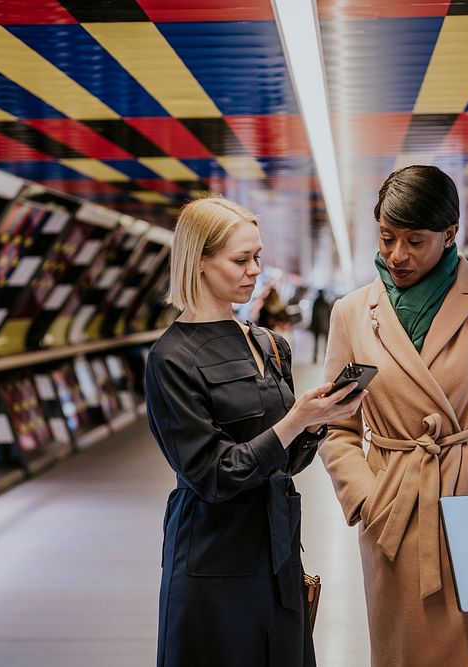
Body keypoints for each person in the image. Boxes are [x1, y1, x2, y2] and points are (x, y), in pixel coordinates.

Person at [318, 166, 468, 666]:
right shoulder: (350, 313)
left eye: (416, 241)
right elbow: (336, 425)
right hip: (398, 512)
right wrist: (368, 498)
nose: (397, 255)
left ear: (450, 234)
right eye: (387, 238)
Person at [144, 196, 366, 667]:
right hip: (212, 558)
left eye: (258, 258)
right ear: (199, 263)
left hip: (278, 551)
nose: (254, 271)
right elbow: (213, 475)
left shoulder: (269, 344)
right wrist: (295, 421)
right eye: (240, 260)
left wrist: (318, 422)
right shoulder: (171, 359)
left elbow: (285, 460)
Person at [309, 289, 332, 364]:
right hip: (323, 325)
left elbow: (313, 316)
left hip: (319, 325)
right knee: (323, 343)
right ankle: (320, 357)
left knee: (318, 342)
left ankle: (317, 358)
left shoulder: (319, 302)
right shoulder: (325, 303)